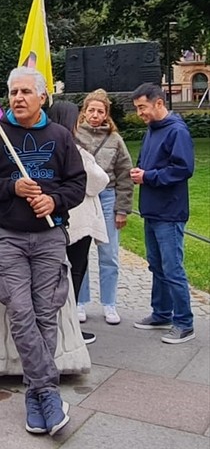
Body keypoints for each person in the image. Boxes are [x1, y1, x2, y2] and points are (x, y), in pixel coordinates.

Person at [0, 67, 86, 436]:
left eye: (24, 92)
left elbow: (77, 185)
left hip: (50, 237)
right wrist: (11, 188)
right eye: (13, 92)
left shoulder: (60, 137)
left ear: (42, 97)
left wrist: (53, 201)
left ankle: (36, 393)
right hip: (9, 237)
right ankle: (47, 390)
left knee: (45, 312)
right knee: (20, 311)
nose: (17, 98)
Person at [130, 83, 195, 344]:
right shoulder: (152, 130)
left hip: (170, 211)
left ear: (159, 103)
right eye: (137, 109)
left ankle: (184, 322)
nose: (139, 113)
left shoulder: (177, 131)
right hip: (152, 209)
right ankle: (161, 313)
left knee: (172, 268)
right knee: (157, 265)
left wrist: (149, 176)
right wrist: (139, 171)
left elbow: (183, 168)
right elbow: (147, 161)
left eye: (142, 107)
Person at [47, 101, 110, 345]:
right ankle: (68, 326)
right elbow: (98, 181)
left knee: (54, 274)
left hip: (57, 219)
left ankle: (58, 323)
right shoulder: (73, 150)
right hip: (78, 220)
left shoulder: (47, 146)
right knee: (74, 273)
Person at [75, 89, 134, 325]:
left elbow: (125, 175)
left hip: (107, 197)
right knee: (80, 253)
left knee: (109, 254)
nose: (95, 115)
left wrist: (122, 209)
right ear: (84, 111)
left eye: (100, 111)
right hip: (82, 199)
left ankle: (109, 303)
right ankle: (80, 301)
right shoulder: (74, 135)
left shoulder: (115, 139)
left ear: (106, 114)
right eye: (91, 110)